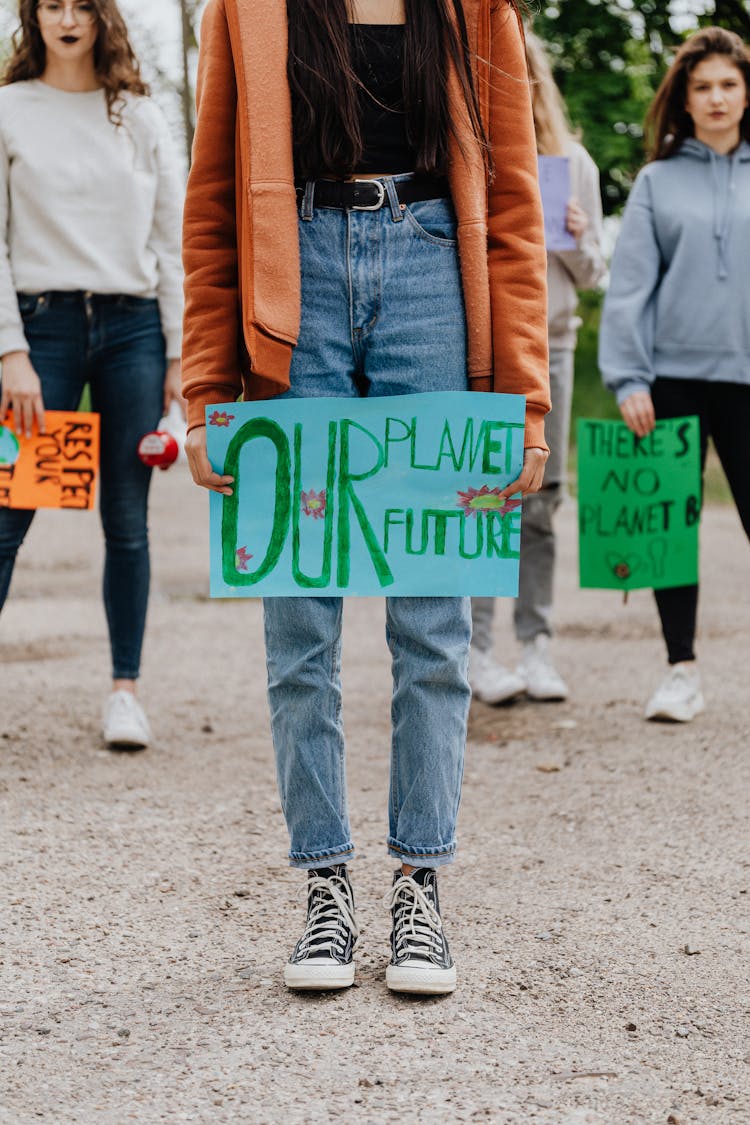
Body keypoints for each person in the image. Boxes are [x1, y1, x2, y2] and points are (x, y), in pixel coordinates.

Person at [182, 0, 550, 995]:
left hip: (435, 275)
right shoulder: (247, 9)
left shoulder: (478, 11)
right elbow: (215, 202)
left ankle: (422, 884)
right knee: (298, 623)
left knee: (434, 623)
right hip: (293, 275)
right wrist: (209, 388)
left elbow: (513, 206)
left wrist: (522, 401)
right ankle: (324, 886)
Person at [0, 0, 184, 749]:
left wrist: (179, 356)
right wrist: (9, 350)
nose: (67, 19)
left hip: (133, 327)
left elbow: (171, 242)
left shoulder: (137, 116)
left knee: (128, 522)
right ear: (32, 17)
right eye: (52, 5)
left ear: (102, 17)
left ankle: (125, 691)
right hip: (41, 328)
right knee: (9, 515)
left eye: (81, 5)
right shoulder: (9, 109)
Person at [599, 26, 750, 723]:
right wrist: (629, 377)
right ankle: (680, 670)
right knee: (671, 529)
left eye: (728, 83)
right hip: (672, 382)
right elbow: (630, 287)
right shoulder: (657, 182)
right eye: (703, 86)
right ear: (685, 101)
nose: (717, 98)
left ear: (746, 93)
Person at [470, 29, 606, 706]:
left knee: (541, 503)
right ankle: (476, 650)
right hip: (476, 347)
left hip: (550, 345)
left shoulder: (569, 160)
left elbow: (595, 272)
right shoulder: (467, 154)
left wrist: (581, 237)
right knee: (481, 497)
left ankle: (537, 646)